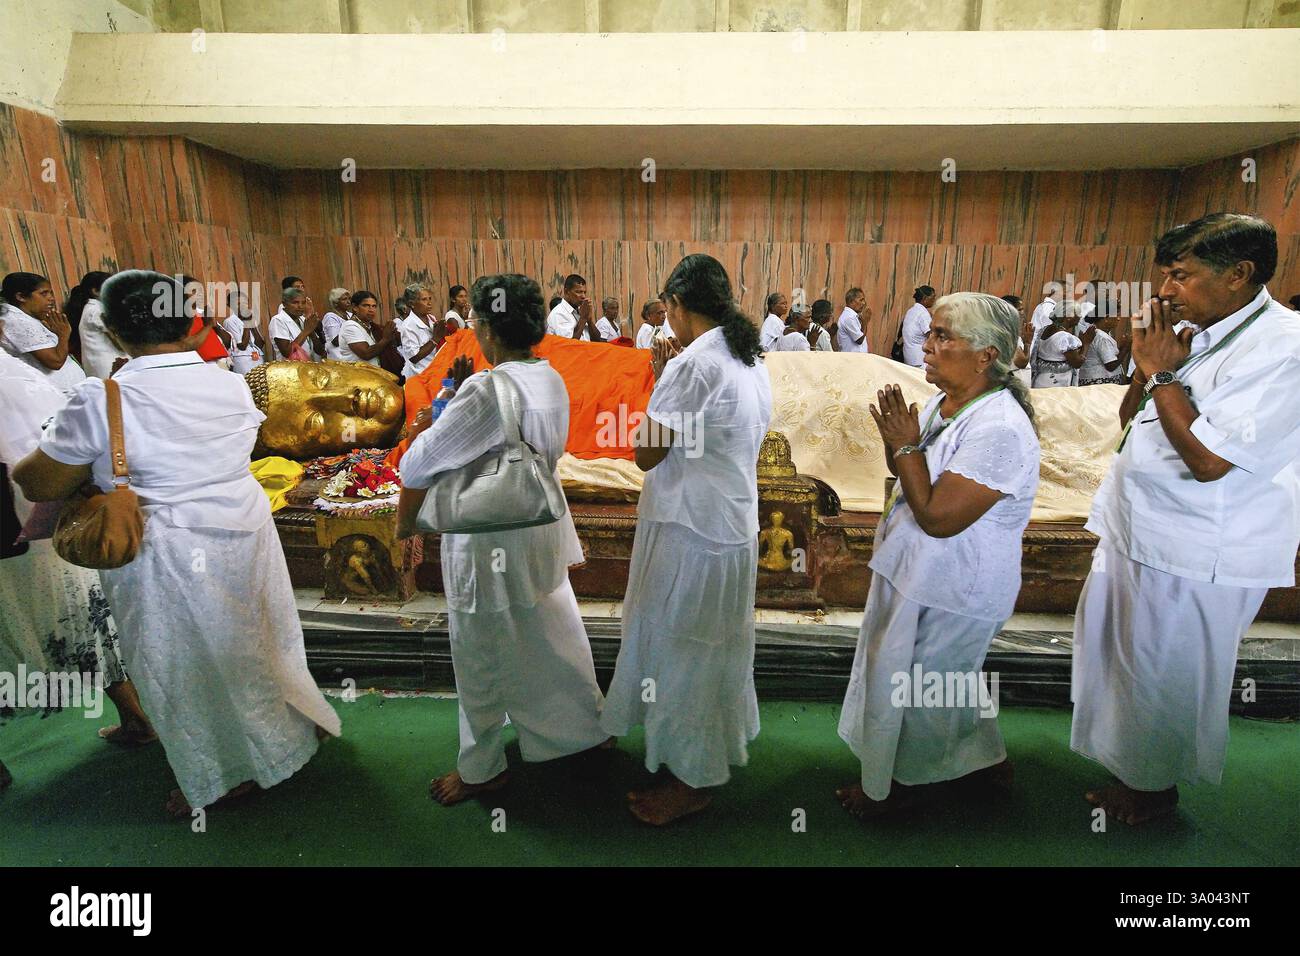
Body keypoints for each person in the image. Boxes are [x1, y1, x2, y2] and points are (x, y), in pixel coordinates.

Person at [13, 270, 341, 817]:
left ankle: (228, 773)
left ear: (113, 330)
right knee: (258, 637)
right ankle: (284, 735)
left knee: (182, 661)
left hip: (165, 549)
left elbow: (39, 482)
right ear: (190, 324)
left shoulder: (104, 397)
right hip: (245, 529)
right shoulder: (231, 381)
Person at [1071, 213, 1300, 825]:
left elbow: (1209, 460)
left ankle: (1153, 791)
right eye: (1164, 275)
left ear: (1239, 275)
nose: (1165, 291)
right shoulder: (1197, 328)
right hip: (1139, 528)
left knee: (1167, 671)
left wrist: (1164, 372)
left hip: (1202, 545)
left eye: (1181, 275)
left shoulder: (1285, 348)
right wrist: (1146, 365)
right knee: (1124, 661)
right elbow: (1133, 417)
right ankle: (1132, 771)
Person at [395, 273, 608, 805]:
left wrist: (441, 403)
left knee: (481, 652)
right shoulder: (550, 376)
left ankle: (482, 767)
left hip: (489, 537)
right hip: (539, 527)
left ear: (487, 329)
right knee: (550, 633)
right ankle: (582, 729)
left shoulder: (488, 389)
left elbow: (418, 464)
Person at [837, 292, 1040, 818]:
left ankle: (904, 789)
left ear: (985, 356)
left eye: (942, 336)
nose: (925, 346)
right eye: (929, 333)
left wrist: (905, 447)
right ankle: (985, 766)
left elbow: (939, 517)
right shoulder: (943, 403)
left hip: (955, 583)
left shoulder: (998, 427)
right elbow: (913, 477)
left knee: (925, 692)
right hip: (919, 573)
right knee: (945, 682)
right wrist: (899, 443)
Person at [600, 253, 773, 825]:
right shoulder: (746, 355)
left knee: (685, 650)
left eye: (666, 307)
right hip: (725, 523)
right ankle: (695, 752)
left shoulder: (693, 365)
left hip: (692, 529)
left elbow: (646, 454)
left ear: (676, 305)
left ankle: (692, 780)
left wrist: (659, 378)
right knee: (708, 645)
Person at [0, 332, 154, 768]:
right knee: (90, 619)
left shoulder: (24, 375)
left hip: (33, 520)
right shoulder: (24, 376)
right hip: (61, 525)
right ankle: (137, 718)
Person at [0, 272, 85, 394]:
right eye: (43, 293)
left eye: (50, 293)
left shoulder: (27, 317)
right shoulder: (17, 320)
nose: (51, 298)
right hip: (55, 394)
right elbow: (55, 361)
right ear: (21, 297)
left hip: (65, 391)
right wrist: (63, 335)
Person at [64, 271, 123, 380]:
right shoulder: (97, 310)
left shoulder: (91, 308)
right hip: (110, 368)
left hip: (104, 368)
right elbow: (122, 342)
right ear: (95, 291)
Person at [1031, 302, 1084, 387]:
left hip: (1041, 379)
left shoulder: (1045, 329)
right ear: (1069, 317)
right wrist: (1086, 343)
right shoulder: (1064, 337)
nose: (1080, 316)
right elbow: (1077, 363)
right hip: (1056, 384)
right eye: (1078, 313)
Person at [339, 290, 398, 366]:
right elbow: (366, 354)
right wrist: (385, 339)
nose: (371, 310)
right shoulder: (350, 326)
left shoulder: (371, 326)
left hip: (375, 374)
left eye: (374, 306)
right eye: (366, 305)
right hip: (359, 376)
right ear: (354, 307)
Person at [399, 282, 443, 379]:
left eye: (430, 299)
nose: (429, 303)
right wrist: (435, 338)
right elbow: (414, 357)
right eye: (424, 299)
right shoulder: (408, 325)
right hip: (419, 375)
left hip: (434, 371)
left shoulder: (431, 317)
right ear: (412, 304)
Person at [269, 287, 322, 361]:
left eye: (303, 303)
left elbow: (320, 351)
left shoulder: (304, 320)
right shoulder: (278, 320)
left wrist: (312, 333)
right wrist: (306, 331)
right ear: (284, 304)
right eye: (295, 302)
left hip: (308, 367)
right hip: (290, 369)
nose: (300, 306)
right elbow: (287, 352)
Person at [221, 289, 266, 375]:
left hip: (257, 357)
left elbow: (260, 344)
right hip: (242, 359)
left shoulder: (251, 318)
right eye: (238, 304)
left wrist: (251, 323)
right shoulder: (230, 321)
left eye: (245, 303)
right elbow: (242, 346)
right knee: (248, 382)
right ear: (230, 305)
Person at [546, 274, 599, 341]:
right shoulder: (558, 314)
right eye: (578, 292)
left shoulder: (580, 311)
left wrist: (589, 320)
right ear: (566, 292)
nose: (583, 296)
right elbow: (569, 345)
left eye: (584, 292)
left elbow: (597, 340)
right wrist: (583, 318)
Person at [1076, 313, 1124, 385]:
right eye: (1116, 315)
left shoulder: (1096, 333)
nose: (1118, 318)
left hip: (1092, 380)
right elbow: (1110, 365)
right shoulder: (1102, 337)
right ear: (1106, 319)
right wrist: (1126, 348)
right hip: (1100, 383)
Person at [900, 286, 936, 367]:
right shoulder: (923, 313)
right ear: (925, 298)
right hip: (920, 359)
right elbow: (931, 335)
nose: (934, 300)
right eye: (933, 297)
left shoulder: (911, 311)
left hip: (909, 356)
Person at [320, 289, 354, 362]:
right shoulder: (330, 316)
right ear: (335, 303)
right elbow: (335, 341)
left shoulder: (350, 315)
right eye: (344, 299)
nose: (348, 302)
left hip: (350, 356)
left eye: (349, 299)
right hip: (336, 357)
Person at [838, 288, 871, 353]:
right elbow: (859, 340)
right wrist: (865, 322)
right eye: (861, 300)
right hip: (852, 360)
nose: (864, 303)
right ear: (851, 301)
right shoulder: (849, 317)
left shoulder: (853, 316)